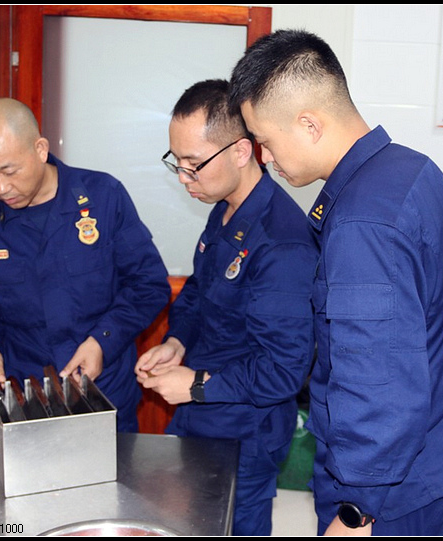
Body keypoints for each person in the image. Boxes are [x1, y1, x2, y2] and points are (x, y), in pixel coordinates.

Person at [229, 30, 443, 536]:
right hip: (423, 466)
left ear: (309, 124)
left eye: (266, 142)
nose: (265, 159)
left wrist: (355, 510)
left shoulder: (363, 222)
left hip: (386, 493)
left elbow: (376, 379)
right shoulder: (411, 171)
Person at [135, 79, 317, 536]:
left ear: (240, 151)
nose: (183, 178)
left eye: (194, 165)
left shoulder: (281, 244)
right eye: (177, 163)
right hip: (200, 410)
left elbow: (284, 370)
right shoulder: (224, 209)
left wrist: (196, 385)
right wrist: (177, 342)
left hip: (244, 430)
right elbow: (200, 291)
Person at [0, 97, 170, 432]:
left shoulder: (103, 197)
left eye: (9, 171)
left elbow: (148, 285)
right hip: (25, 400)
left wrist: (102, 342)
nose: (1, 187)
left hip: (104, 394)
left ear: (40, 149)